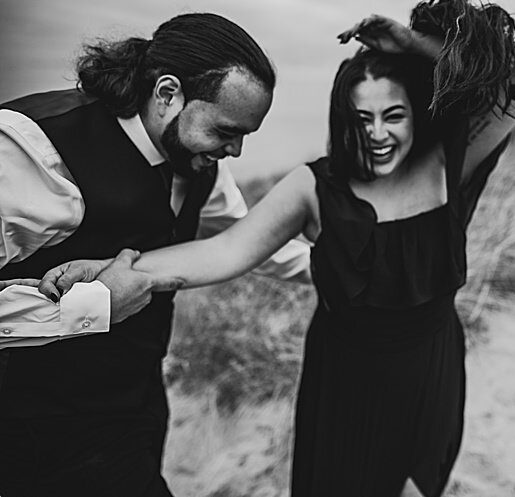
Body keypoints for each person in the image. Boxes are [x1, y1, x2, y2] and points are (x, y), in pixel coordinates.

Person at [39, 1, 515, 495]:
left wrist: (411, 45)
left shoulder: (447, 166)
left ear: (416, 111)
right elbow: (227, 251)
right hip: (345, 378)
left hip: (430, 366)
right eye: (362, 118)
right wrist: (129, 270)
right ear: (343, 117)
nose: (379, 134)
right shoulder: (315, 188)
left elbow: (512, 79)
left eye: (393, 115)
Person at [0, 13, 309, 496]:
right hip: (32, 430)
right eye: (227, 130)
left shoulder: (200, 161)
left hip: (138, 412)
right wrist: (86, 310)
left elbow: (248, 241)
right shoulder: (34, 149)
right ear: (167, 93)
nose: (237, 150)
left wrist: (350, 267)